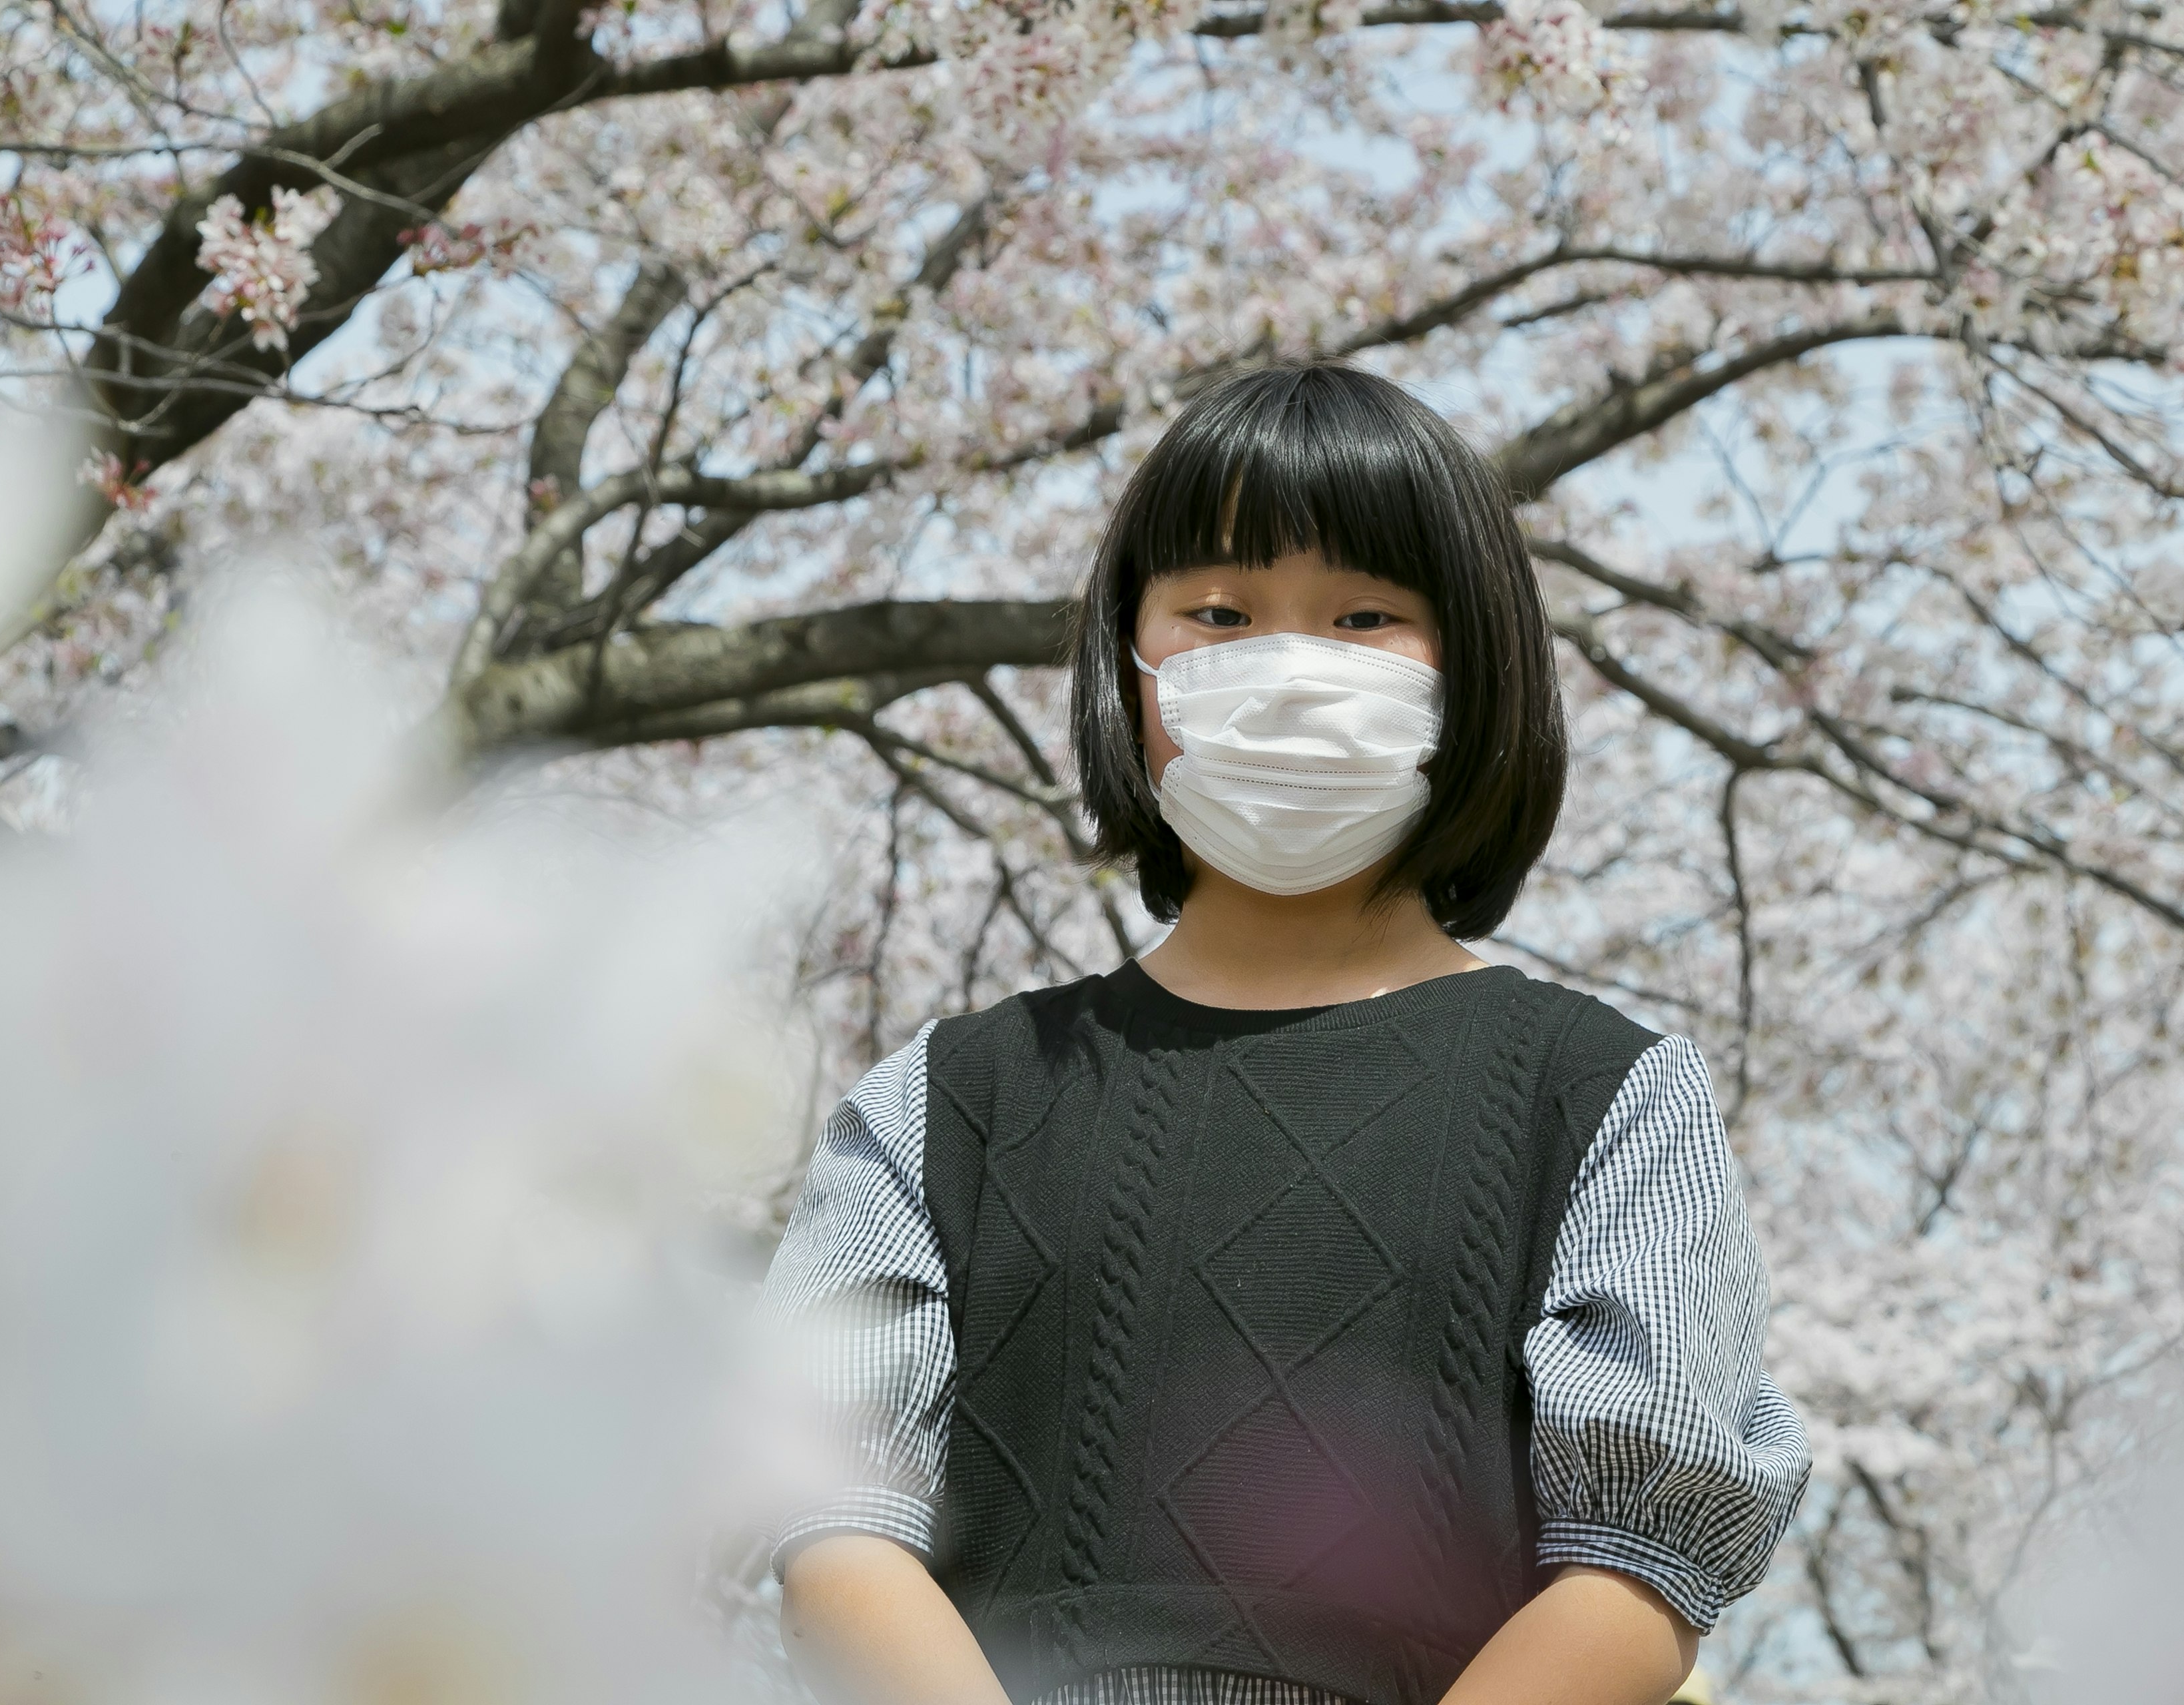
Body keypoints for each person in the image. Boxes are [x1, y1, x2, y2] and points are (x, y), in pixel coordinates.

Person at [762, 362, 1810, 1705]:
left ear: (1474, 660)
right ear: (1127, 657)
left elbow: (1639, 1561)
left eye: (1363, 613)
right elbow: (832, 1511)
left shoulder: (1602, 1095)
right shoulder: (944, 1101)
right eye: (1218, 611)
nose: (1288, 663)